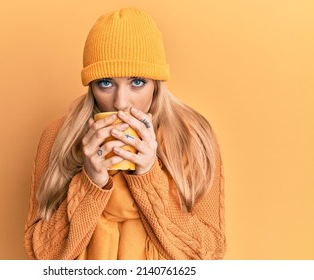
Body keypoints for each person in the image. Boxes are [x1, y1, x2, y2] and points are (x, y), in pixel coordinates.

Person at [24, 7, 226, 260]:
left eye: (137, 82)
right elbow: (42, 256)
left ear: (156, 83)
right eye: (105, 83)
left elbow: (209, 254)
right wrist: (91, 183)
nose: (121, 102)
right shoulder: (58, 136)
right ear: (91, 86)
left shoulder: (193, 137)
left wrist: (148, 176)